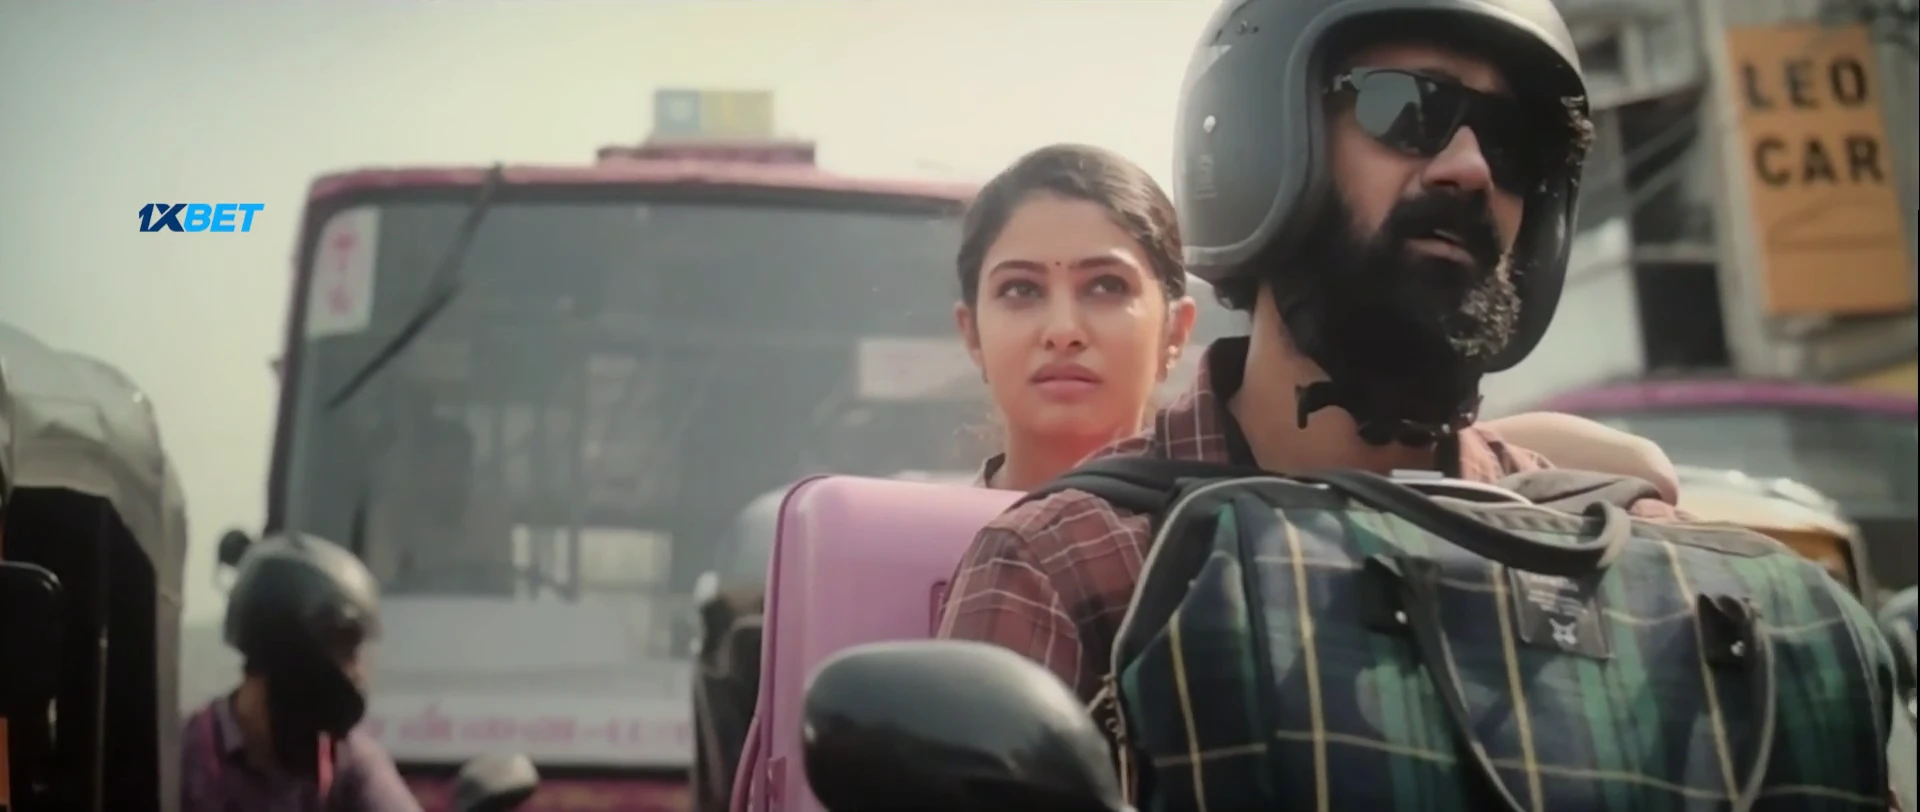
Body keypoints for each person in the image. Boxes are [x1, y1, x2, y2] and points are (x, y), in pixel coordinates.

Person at [936, 1, 1682, 702]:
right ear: (1260, 146)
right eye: (1409, 109)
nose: (1472, 168)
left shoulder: (1618, 555)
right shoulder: (1072, 568)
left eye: (1513, 142)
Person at [954, 143, 1675, 496]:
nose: (1063, 328)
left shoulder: (1242, 505)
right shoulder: (904, 538)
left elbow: (1644, 470)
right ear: (971, 335)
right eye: (1020, 290)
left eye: (1106, 286)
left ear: (1176, 331)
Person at [181, 533, 419, 812]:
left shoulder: (347, 761)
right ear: (289, 649)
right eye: (345, 652)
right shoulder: (183, 758)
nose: (358, 675)